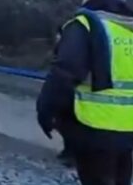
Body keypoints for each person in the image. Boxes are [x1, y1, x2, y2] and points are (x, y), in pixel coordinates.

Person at [36, 0, 133, 185]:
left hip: (93, 123)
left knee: (96, 178)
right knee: (121, 177)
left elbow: (64, 73)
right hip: (132, 124)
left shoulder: (85, 25)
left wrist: (46, 111)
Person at [53, 25, 75, 168]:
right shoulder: (62, 47)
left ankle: (72, 154)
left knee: (70, 124)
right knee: (62, 122)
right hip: (62, 89)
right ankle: (68, 150)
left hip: (71, 90)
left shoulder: (71, 49)